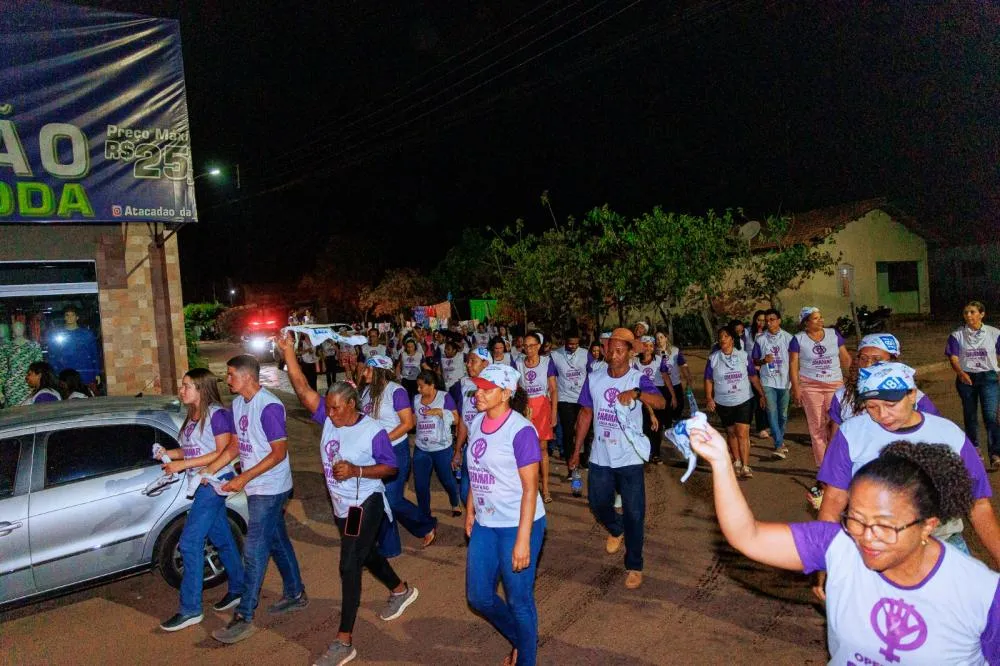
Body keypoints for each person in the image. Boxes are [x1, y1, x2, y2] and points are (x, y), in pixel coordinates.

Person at [688, 422, 1000, 665]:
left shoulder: (982, 594)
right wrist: (720, 461)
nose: (866, 536)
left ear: (928, 526)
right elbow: (748, 535)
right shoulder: (838, 544)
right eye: (856, 518)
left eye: (884, 526)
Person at [280, 340, 419, 666]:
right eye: (327, 407)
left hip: (364, 501)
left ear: (353, 404)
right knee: (366, 553)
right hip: (342, 506)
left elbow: (392, 467)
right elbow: (301, 389)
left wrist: (356, 469)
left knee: (349, 563)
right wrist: (288, 351)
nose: (329, 413)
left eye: (336, 408)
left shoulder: (372, 432)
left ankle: (344, 641)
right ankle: (400, 589)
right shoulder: (329, 420)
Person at [816, 361, 1000, 569]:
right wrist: (825, 560)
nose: (882, 415)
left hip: (943, 547)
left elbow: (979, 505)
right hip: (876, 551)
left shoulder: (949, 435)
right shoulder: (851, 434)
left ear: (912, 395)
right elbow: (833, 502)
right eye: (872, 407)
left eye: (890, 405)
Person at [205, 354, 306, 645]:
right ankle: (296, 592)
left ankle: (244, 614)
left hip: (271, 487)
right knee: (276, 540)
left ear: (247, 376)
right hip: (255, 486)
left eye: (230, 375)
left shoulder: (270, 406)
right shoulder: (238, 404)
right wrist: (210, 469)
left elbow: (278, 453)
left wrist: (243, 478)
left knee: (253, 549)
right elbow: (238, 445)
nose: (227, 380)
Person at [570, 328, 665, 589]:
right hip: (601, 455)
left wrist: (637, 394)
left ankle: (634, 564)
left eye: (619, 350)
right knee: (598, 504)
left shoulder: (637, 378)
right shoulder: (595, 378)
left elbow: (660, 402)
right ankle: (616, 528)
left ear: (630, 353)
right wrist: (576, 450)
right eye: (610, 349)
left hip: (629, 457)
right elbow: (585, 414)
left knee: (635, 513)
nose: (612, 355)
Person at [464, 363, 546, 666]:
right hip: (486, 522)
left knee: (519, 600)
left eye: (487, 389)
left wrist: (523, 540)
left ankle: (526, 658)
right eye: (478, 387)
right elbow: (476, 468)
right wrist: (471, 508)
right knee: (479, 596)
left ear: (507, 393)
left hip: (519, 523)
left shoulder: (521, 430)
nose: (479, 394)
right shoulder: (476, 423)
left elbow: (530, 489)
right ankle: (523, 640)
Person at [157, 368, 245, 632]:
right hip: (201, 482)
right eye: (182, 385)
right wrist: (169, 454)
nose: (181, 390)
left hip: (213, 483)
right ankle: (240, 587)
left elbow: (221, 452)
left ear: (201, 389)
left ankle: (191, 609)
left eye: (186, 386)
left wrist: (183, 464)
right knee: (222, 538)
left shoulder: (217, 414)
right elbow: (192, 448)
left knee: (189, 542)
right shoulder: (193, 415)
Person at [356, 354, 431, 556]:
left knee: (393, 498)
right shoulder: (365, 393)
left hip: (395, 451)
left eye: (369, 369)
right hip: (373, 454)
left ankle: (425, 525)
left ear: (380, 370)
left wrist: (382, 440)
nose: (365, 372)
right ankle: (390, 548)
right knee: (380, 499)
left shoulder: (395, 391)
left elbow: (407, 423)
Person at [828, 333, 940, 435]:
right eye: (863, 358)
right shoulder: (842, 396)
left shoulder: (913, 397)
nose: (868, 364)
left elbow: (935, 433)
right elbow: (835, 438)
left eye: (877, 359)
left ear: (893, 361)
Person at [789, 306, 851, 466]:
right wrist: (796, 388)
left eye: (821, 317)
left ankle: (837, 462)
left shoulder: (833, 334)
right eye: (816, 318)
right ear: (806, 323)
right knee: (817, 427)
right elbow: (793, 364)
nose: (821, 320)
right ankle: (823, 467)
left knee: (836, 424)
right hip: (811, 387)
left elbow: (845, 358)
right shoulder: (798, 339)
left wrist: (853, 378)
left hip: (835, 385)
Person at [704, 325, 765, 478]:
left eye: (725, 336)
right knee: (731, 432)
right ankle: (736, 460)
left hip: (743, 399)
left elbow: (752, 376)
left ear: (732, 338)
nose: (722, 339)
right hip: (723, 402)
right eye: (720, 337)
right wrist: (709, 398)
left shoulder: (743, 356)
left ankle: (745, 465)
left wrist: (761, 394)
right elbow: (708, 379)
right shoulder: (713, 358)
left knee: (743, 432)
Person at [946, 300, 1000, 469]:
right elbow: (953, 357)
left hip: (989, 378)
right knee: (970, 417)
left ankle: (996, 453)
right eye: (966, 313)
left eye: (972, 312)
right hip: (966, 379)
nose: (968, 315)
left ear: (981, 314)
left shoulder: (994, 333)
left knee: (991, 417)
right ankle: (975, 450)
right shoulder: (957, 335)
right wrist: (961, 373)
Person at [412, 370, 463, 519]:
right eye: (418, 386)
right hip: (422, 447)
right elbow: (414, 421)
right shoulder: (415, 399)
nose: (418, 390)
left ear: (432, 385)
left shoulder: (444, 397)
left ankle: (455, 502)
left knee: (447, 479)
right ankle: (424, 514)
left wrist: (440, 412)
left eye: (421, 387)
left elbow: (456, 419)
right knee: (420, 484)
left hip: (441, 448)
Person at [515, 331, 558, 504]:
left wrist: (554, 413)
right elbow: (516, 388)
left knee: (542, 448)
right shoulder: (518, 363)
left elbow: (553, 389)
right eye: (526, 346)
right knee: (524, 449)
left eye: (532, 345)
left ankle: (545, 487)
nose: (529, 349)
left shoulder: (547, 362)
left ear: (539, 346)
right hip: (524, 408)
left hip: (542, 407)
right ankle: (526, 486)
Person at [451, 347, 493, 505]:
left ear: (485, 363)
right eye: (467, 361)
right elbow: (464, 419)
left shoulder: (497, 387)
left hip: (491, 451)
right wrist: (457, 451)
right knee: (464, 493)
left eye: (473, 361)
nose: (468, 365)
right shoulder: (465, 384)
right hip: (471, 448)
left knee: (488, 496)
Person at [751, 309, 793, 458]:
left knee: (783, 415)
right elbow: (754, 360)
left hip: (785, 381)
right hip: (768, 381)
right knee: (772, 412)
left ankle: (780, 440)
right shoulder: (760, 339)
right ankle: (778, 444)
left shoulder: (789, 338)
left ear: (779, 320)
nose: (769, 323)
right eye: (767, 320)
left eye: (772, 320)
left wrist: (796, 381)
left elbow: (796, 361)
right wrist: (763, 361)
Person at [633, 335, 675, 464]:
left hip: (658, 394)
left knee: (658, 426)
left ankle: (656, 453)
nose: (648, 348)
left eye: (651, 346)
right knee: (644, 426)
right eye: (645, 345)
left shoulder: (659, 360)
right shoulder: (635, 362)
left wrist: (673, 395)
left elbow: (666, 378)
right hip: (642, 396)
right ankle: (645, 451)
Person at [550, 330, 588, 471]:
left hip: (582, 398)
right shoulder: (555, 355)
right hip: (565, 398)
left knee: (583, 430)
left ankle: (582, 457)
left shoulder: (585, 354)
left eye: (576, 344)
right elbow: (551, 377)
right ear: (565, 341)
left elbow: (592, 373)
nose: (573, 346)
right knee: (567, 431)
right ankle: (569, 463)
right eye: (570, 343)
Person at [46, 305, 101, 385]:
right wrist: (54, 374)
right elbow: (53, 356)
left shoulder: (87, 334)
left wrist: (96, 373)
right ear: (64, 317)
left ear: (77, 317)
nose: (70, 317)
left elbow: (94, 355)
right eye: (67, 315)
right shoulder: (58, 335)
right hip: (65, 373)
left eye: (72, 315)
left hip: (85, 373)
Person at [0, 320, 43, 408]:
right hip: (12, 386)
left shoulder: (34, 346)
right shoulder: (6, 347)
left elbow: (40, 368)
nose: (18, 329)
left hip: (30, 384)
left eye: (20, 327)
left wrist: (41, 384)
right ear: (12, 330)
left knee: (31, 409)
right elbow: (3, 369)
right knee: (14, 412)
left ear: (24, 329)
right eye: (15, 328)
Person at [655, 330, 688, 425]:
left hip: (675, 383)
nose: (659, 340)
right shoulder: (653, 353)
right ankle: (667, 423)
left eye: (661, 337)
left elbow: (683, 364)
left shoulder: (675, 350)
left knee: (679, 405)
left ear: (666, 338)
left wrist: (688, 378)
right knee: (666, 405)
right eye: (657, 338)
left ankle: (675, 420)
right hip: (662, 385)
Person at [747, 310, 770, 437]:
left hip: (767, 369)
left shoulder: (768, 334)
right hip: (752, 370)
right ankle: (761, 427)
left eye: (763, 320)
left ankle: (767, 424)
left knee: (767, 396)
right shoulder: (747, 333)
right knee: (757, 397)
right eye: (758, 320)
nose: (761, 323)